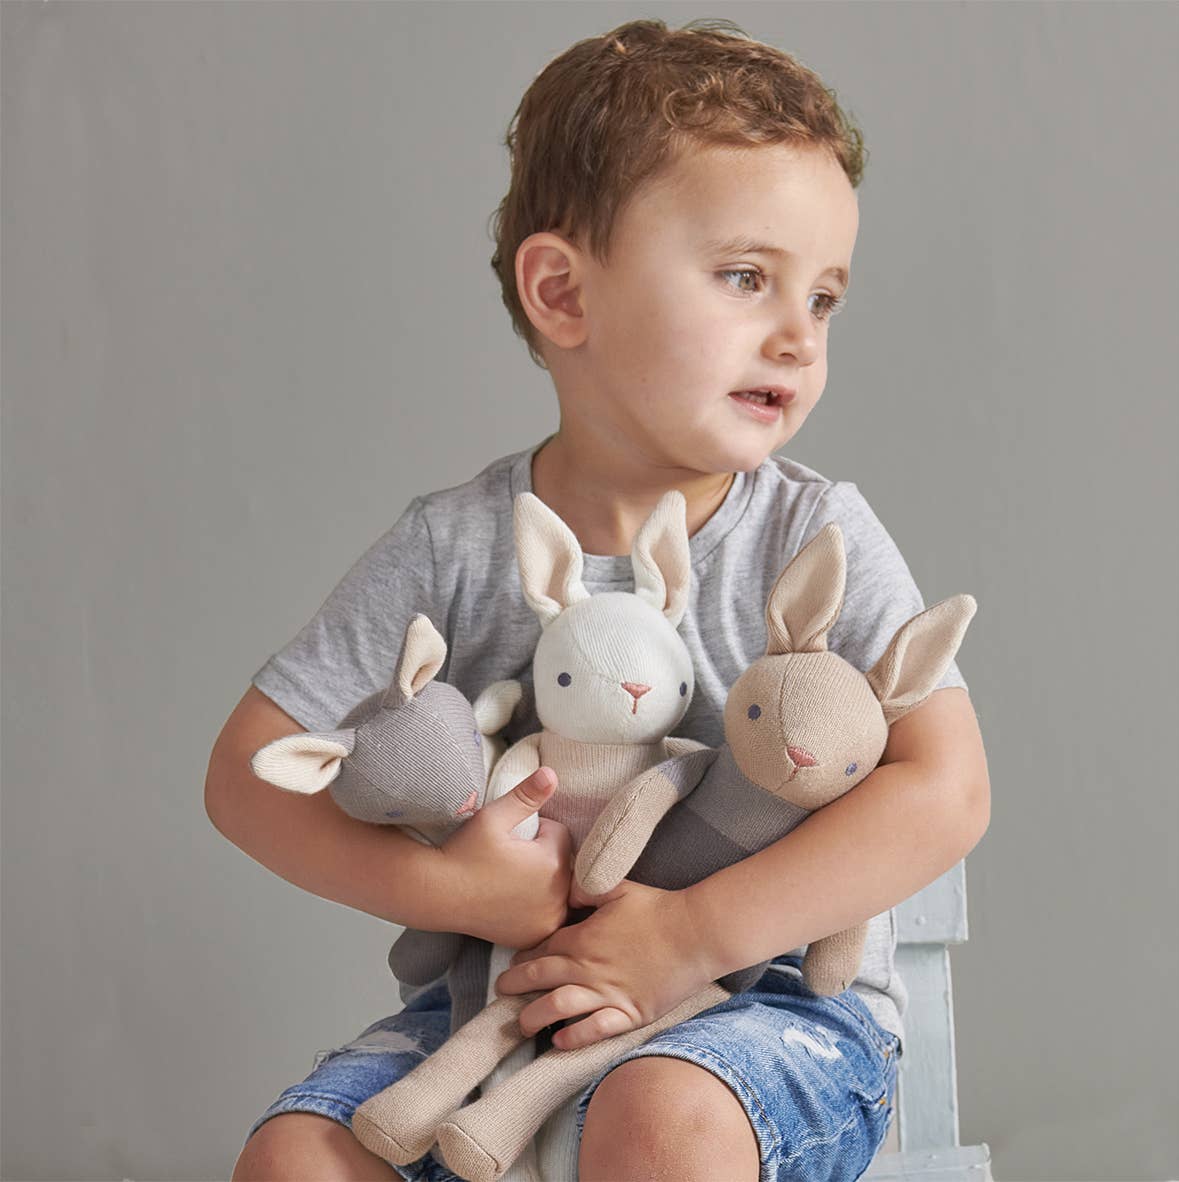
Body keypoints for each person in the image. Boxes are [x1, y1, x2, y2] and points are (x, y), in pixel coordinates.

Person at [206, 17, 990, 1182]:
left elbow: (947, 790)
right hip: (503, 1012)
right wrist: (450, 887)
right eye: (744, 277)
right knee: (296, 1161)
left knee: (659, 1119)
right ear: (563, 292)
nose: (795, 334)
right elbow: (246, 776)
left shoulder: (807, 530)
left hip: (768, 1008)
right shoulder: (454, 547)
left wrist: (687, 937)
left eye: (822, 298)